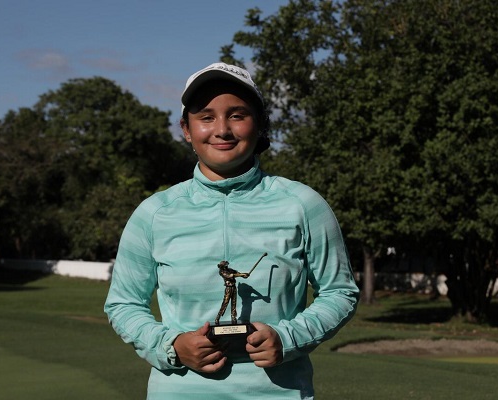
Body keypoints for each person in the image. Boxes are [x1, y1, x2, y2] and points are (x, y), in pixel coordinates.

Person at [104, 62, 359, 399]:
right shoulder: (154, 213)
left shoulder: (303, 204)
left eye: (237, 115)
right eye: (206, 117)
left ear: (259, 124)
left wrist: (288, 338)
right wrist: (173, 345)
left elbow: (339, 292)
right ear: (186, 128)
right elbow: (123, 304)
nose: (222, 129)